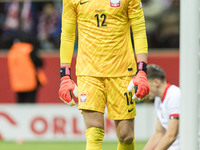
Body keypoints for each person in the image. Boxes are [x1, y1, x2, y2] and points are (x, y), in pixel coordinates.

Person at [58, 0, 150, 150]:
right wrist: (64, 75)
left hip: (122, 71)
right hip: (89, 72)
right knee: (94, 131)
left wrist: (141, 71)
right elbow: (67, 35)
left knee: (126, 136)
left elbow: (139, 31)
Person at [143, 64, 180, 150]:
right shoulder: (158, 99)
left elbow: (171, 136)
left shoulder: (174, 96)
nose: (144, 90)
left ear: (156, 82)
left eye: (146, 85)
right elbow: (159, 133)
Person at [8, 31, 47, 103]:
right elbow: (39, 63)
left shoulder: (12, 52)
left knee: (20, 104)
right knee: (30, 106)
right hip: (30, 83)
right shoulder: (29, 50)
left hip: (17, 83)